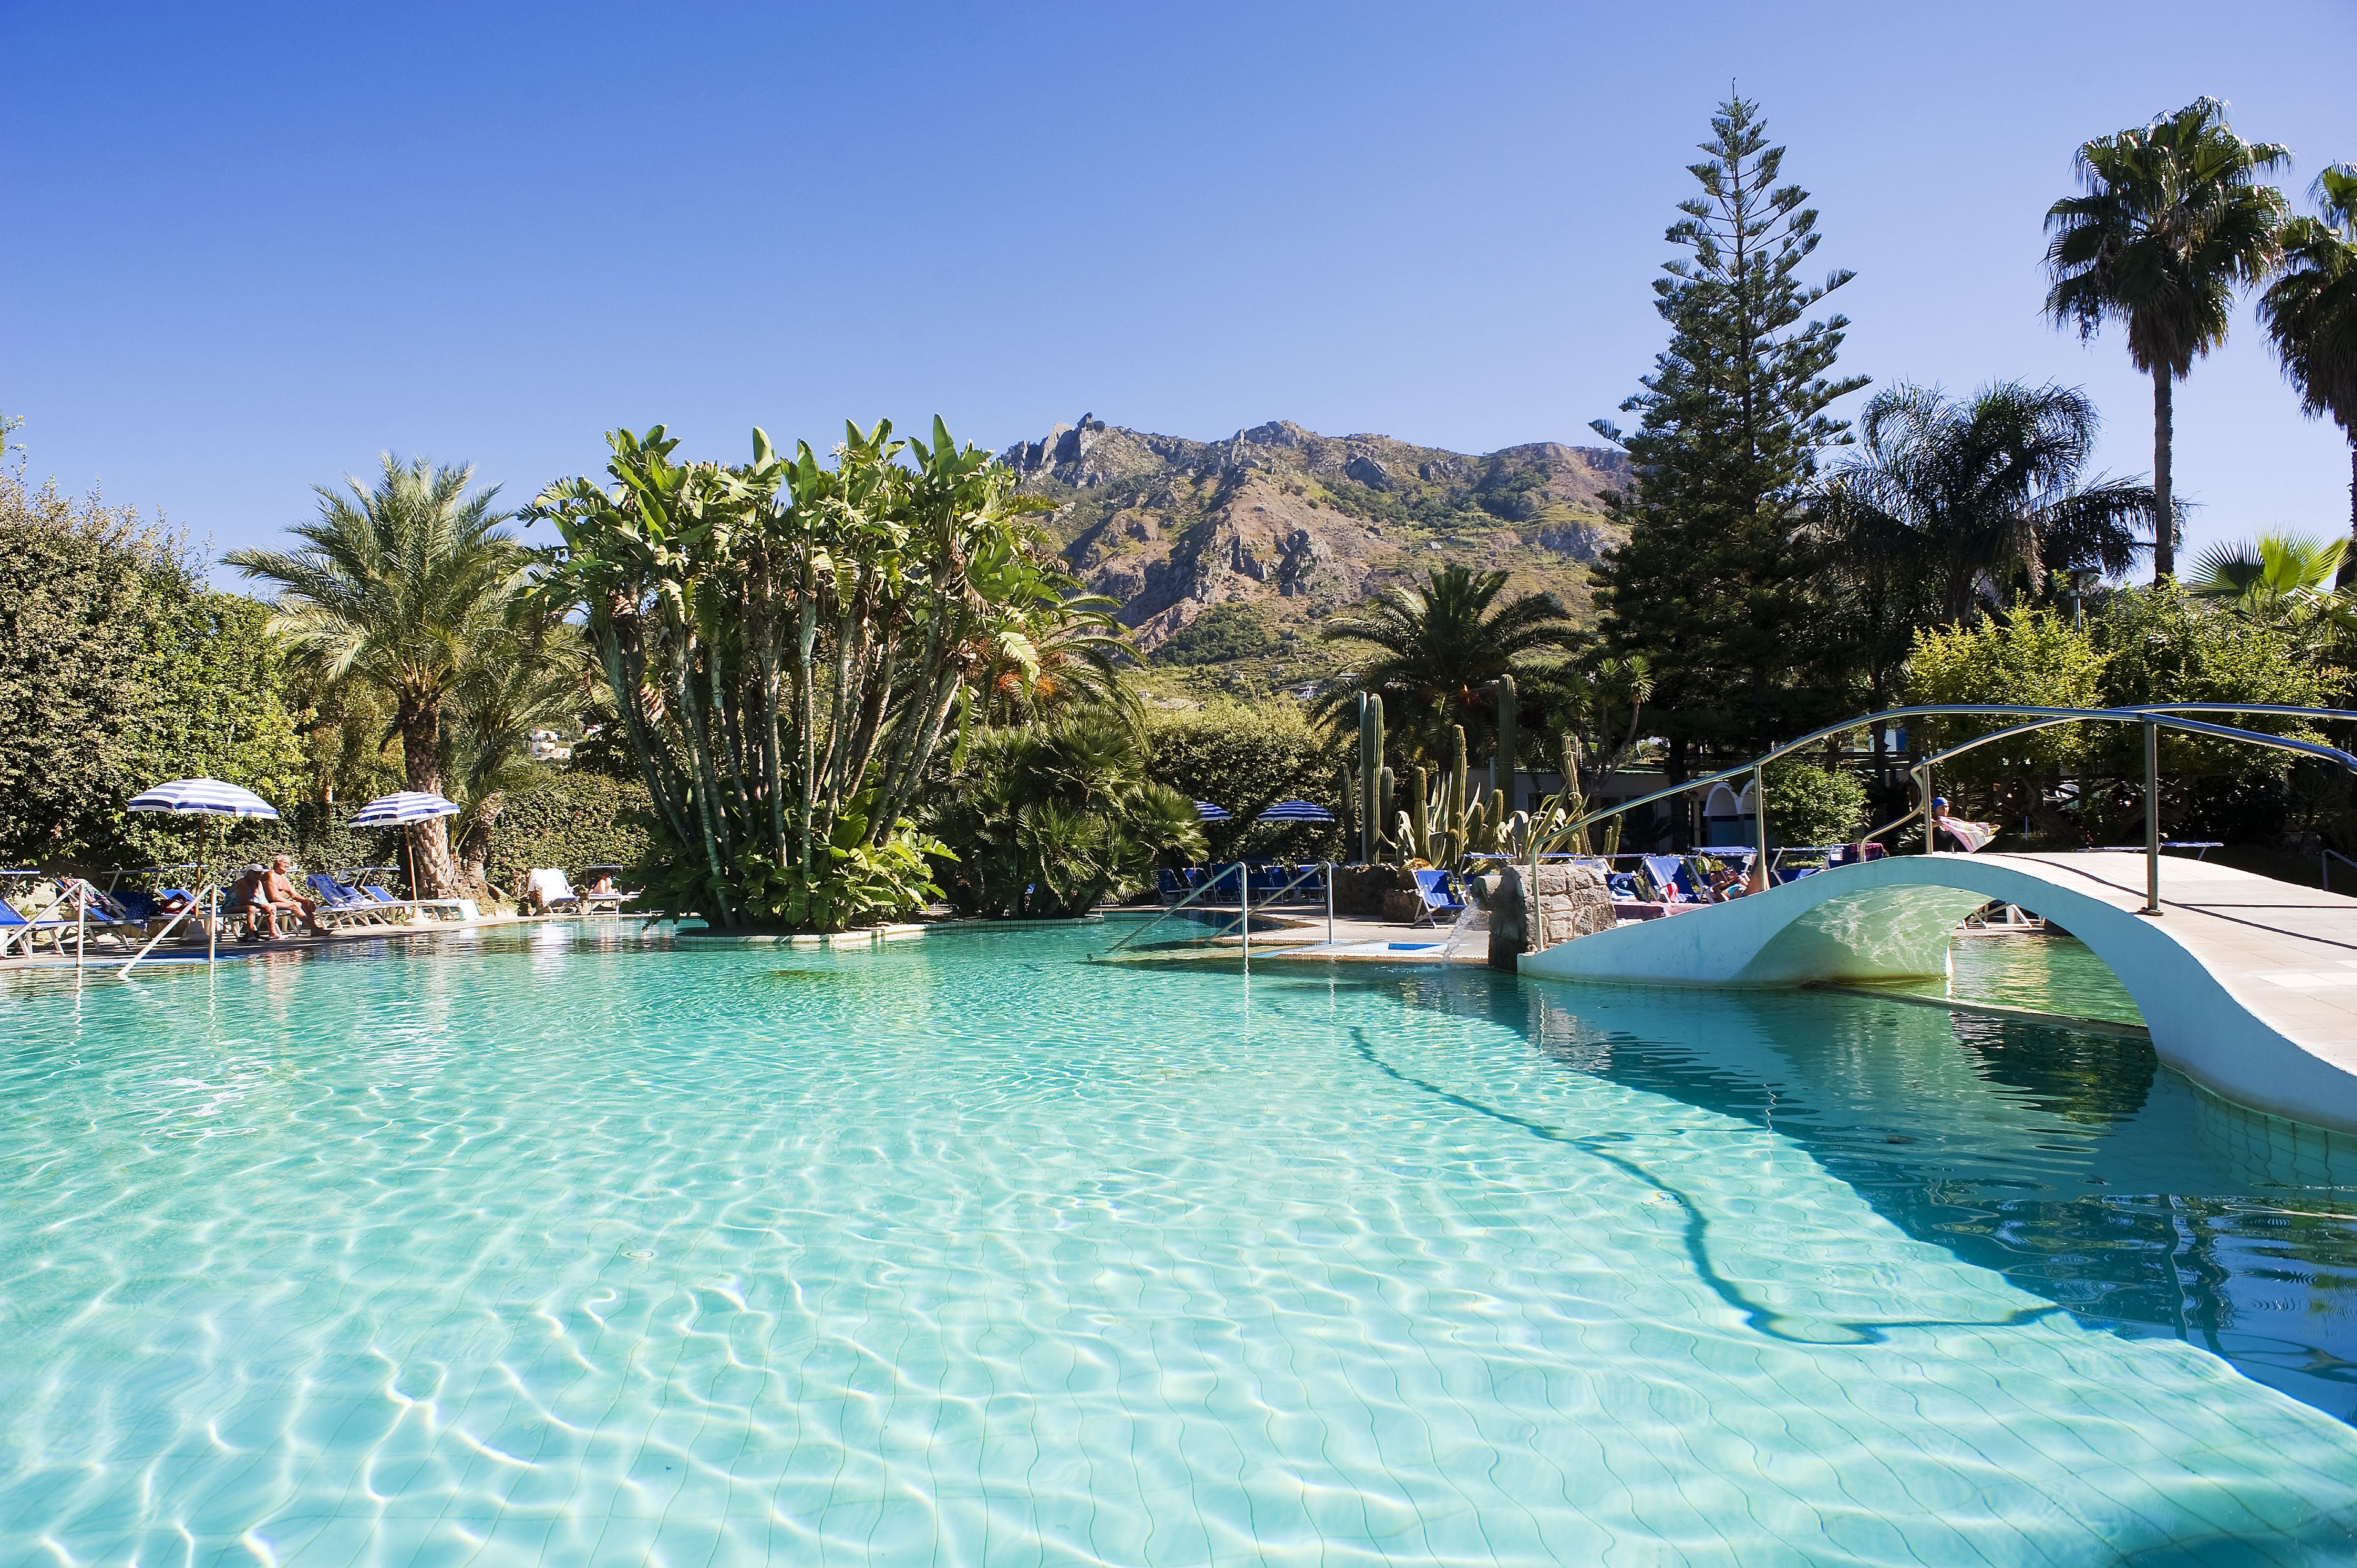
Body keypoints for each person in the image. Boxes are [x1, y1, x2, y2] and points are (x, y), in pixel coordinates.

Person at [242, 855, 323, 938]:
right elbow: (274, 897)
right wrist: (291, 903)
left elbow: (294, 895)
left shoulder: (283, 877)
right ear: (277, 863)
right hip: (271, 903)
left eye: (288, 864)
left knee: (305, 904)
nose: (287, 866)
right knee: (295, 905)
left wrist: (307, 900)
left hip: (281, 902)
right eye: (284, 863)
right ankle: (316, 929)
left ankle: (315, 929)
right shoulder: (270, 875)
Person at [1931, 797, 1995, 853]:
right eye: (1942, 807)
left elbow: (1968, 825)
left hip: (1949, 856)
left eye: (1946, 807)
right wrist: (1935, 824)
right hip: (1935, 856)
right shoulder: (1931, 821)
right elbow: (1929, 826)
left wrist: (1987, 828)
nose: (1945, 810)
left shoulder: (1951, 822)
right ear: (1935, 809)